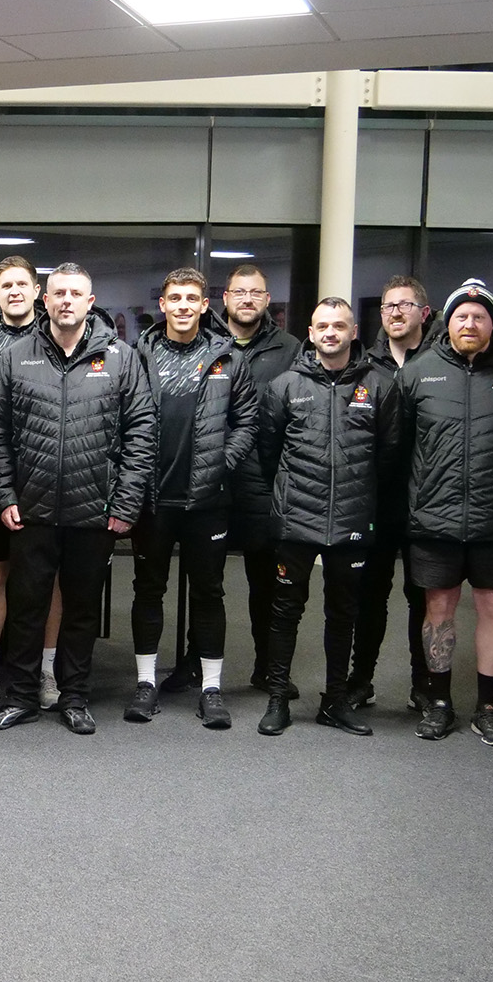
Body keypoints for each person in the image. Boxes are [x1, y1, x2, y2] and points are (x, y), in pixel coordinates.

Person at [0, 263, 155, 735]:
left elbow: (142, 433)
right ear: (46, 300)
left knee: (81, 611)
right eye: (58, 293)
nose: (66, 301)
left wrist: (126, 503)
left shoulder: (121, 358)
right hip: (30, 507)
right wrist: (4, 494)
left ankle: (75, 697)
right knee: (26, 608)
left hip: (94, 509)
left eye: (76, 294)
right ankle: (20, 697)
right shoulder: (17, 356)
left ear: (89, 302)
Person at [396, 279, 493, 746]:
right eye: (461, 316)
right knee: (438, 608)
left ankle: (487, 708)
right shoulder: (419, 371)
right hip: (434, 517)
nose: (470, 323)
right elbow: (399, 446)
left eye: (479, 316)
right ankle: (439, 703)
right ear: (447, 322)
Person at [254, 298, 399, 736]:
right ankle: (278, 697)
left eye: (339, 325)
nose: (330, 333)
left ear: (354, 332)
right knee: (285, 611)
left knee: (343, 613)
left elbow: (390, 455)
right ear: (311, 333)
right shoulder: (285, 386)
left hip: (353, 516)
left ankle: (334, 701)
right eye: (322, 326)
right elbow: (269, 453)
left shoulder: (379, 386)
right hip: (296, 515)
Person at [128, 267, 258, 729]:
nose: (183, 306)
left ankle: (211, 688)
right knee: (148, 589)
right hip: (153, 498)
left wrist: (222, 462)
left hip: (207, 499)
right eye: (175, 298)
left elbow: (247, 420)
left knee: (209, 592)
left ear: (205, 305)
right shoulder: (138, 355)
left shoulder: (228, 358)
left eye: (191, 299)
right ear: (162, 305)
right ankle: (145, 683)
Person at [0, 256, 62, 711]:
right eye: (7, 285)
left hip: (45, 473)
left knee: (47, 579)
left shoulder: (55, 338)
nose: (15, 291)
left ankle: (46, 672)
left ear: (37, 291)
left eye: (23, 283)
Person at [354, 276, 435, 713]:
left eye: (405, 305)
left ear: (424, 312)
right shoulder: (366, 365)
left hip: (429, 498)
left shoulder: (442, 362)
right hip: (377, 498)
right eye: (388, 306)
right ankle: (360, 679)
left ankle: (424, 684)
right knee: (370, 595)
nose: (396, 313)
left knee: (423, 597)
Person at [220, 265, 298, 696]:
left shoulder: (290, 348)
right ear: (226, 298)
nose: (247, 299)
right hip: (210, 477)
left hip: (263, 480)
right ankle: (196, 663)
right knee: (205, 581)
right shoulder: (207, 342)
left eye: (255, 293)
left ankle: (267, 667)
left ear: (267, 300)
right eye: (239, 292)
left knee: (264, 582)